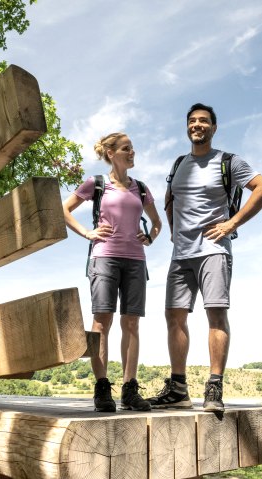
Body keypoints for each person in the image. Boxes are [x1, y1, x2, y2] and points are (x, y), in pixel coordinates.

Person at [148, 103, 262, 412]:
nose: (198, 125)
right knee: (174, 316)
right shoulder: (180, 163)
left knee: (215, 314)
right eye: (192, 121)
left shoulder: (228, 161)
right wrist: (174, 232)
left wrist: (232, 223)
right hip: (182, 253)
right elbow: (170, 198)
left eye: (204, 121)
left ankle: (214, 387)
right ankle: (178, 389)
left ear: (214, 128)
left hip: (214, 250)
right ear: (187, 127)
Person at [62, 132, 161, 412]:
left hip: (135, 261)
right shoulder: (97, 184)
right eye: (126, 149)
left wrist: (150, 236)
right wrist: (87, 232)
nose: (132, 153)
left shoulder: (140, 188)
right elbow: (64, 210)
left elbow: (156, 222)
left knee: (131, 324)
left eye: (133, 149)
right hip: (104, 258)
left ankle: (130, 389)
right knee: (101, 322)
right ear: (111, 153)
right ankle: (102, 388)